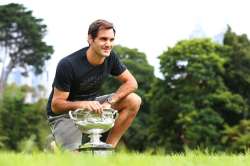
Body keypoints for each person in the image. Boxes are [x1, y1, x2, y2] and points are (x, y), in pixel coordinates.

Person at [47, 19, 141, 151]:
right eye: (103, 39)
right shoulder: (68, 64)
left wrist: (109, 101)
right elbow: (56, 106)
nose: (108, 44)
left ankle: (108, 150)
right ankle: (55, 147)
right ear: (90, 39)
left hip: (92, 106)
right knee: (74, 162)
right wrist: (82, 104)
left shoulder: (110, 57)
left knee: (134, 100)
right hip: (65, 114)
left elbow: (132, 83)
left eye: (111, 40)